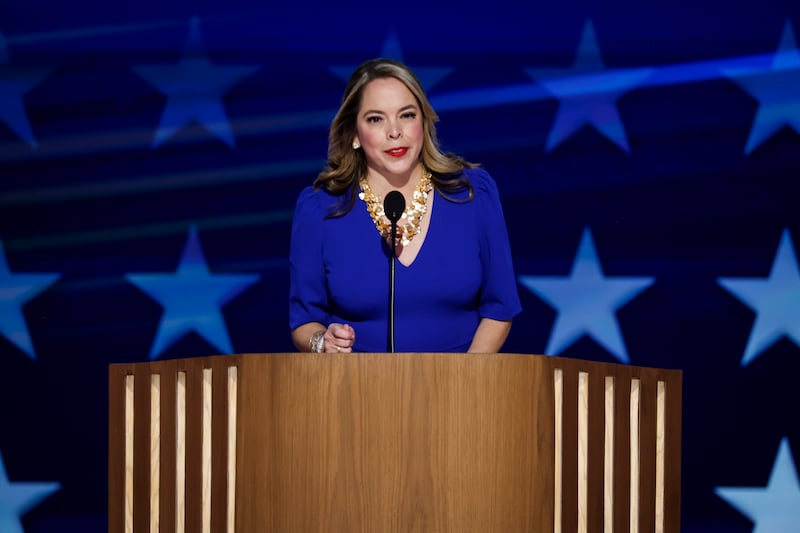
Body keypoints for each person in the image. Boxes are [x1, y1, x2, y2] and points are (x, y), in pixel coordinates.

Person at [289, 58, 521, 353]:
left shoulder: (472, 193)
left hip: (462, 380)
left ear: (423, 122)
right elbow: (304, 323)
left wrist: (466, 377)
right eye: (376, 119)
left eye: (407, 115)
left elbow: (499, 309)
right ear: (354, 134)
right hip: (357, 382)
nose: (394, 131)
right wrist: (323, 342)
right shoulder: (320, 209)